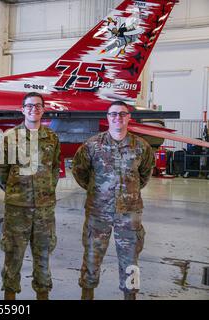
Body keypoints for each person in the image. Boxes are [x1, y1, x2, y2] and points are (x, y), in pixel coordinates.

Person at [72, 101, 155, 300]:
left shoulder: (141, 147)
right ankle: (87, 294)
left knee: (131, 259)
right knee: (92, 256)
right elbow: (80, 172)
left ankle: (130, 295)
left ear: (129, 117)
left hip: (129, 215)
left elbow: (144, 175)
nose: (117, 117)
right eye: (113, 114)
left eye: (122, 114)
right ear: (107, 118)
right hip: (98, 212)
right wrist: (97, 191)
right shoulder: (92, 145)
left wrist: (128, 194)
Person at [0, 92, 61, 300]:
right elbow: (1, 171)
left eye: (38, 106)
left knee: (43, 255)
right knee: (13, 256)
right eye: (29, 106)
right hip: (17, 209)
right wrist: (16, 193)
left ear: (43, 109)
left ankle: (42, 295)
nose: (34, 109)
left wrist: (45, 191)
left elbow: (55, 168)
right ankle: (10, 299)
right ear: (23, 109)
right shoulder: (10, 137)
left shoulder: (51, 138)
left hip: (44, 210)